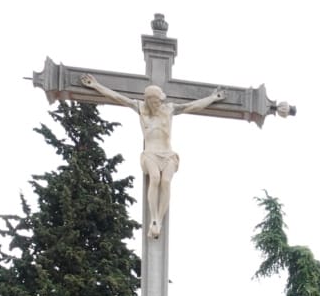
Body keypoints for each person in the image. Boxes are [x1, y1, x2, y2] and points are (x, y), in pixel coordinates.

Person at [79, 76, 225, 238]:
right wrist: (96, 85)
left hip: (168, 154)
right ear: (149, 100)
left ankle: (158, 220)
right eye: (155, 102)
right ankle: (153, 217)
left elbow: (192, 106)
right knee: (155, 178)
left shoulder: (169, 109)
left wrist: (212, 98)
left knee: (166, 181)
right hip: (150, 154)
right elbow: (117, 97)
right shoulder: (140, 108)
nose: (157, 104)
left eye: (159, 101)